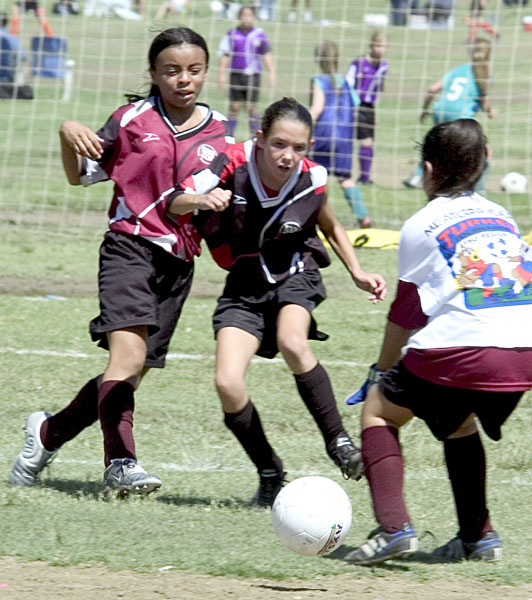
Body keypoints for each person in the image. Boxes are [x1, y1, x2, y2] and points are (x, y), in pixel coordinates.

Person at [9, 27, 234, 496]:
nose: (184, 80)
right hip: (129, 248)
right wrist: (67, 133)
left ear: (207, 72)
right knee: (126, 358)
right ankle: (120, 464)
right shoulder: (130, 120)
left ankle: (47, 433)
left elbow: (205, 200)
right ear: (154, 73)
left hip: (178, 263)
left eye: (194, 70)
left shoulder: (221, 133)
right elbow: (81, 176)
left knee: (129, 373)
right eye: (171, 71)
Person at [168, 97, 387, 507]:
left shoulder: (311, 177)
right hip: (244, 285)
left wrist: (357, 271)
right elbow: (174, 199)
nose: (288, 156)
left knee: (292, 341)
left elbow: (329, 223)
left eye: (298, 147)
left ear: (309, 148)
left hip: (295, 273)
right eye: (279, 144)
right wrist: (201, 200)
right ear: (260, 139)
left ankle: (339, 443)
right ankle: (269, 471)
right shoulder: (230, 164)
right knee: (227, 383)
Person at [344, 118, 532, 565]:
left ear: (428, 170)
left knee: (378, 410)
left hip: (467, 348)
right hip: (525, 351)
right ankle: (479, 538)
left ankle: (393, 529)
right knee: (456, 420)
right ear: (482, 164)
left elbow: (406, 313)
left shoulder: (420, 224)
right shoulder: (501, 216)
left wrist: (380, 371)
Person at [403, 37, 496, 190]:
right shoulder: (485, 75)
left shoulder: (460, 69)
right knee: (485, 151)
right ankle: (479, 189)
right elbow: (485, 105)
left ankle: (416, 177)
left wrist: (425, 110)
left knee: (437, 147)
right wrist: (491, 112)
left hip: (440, 111)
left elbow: (433, 88)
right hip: (460, 117)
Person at [309, 40, 371, 228]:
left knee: (315, 176)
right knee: (345, 178)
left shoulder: (319, 81)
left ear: (318, 59)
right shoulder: (345, 82)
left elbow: (317, 108)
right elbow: (356, 103)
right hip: (344, 137)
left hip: (323, 135)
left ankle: (316, 217)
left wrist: (303, 122)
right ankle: (363, 216)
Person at [217, 5, 276, 138]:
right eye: (244, 15)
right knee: (234, 106)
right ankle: (229, 136)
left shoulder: (259, 34)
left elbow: (266, 54)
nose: (246, 18)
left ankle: (255, 137)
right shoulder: (232, 34)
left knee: (251, 107)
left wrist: (271, 73)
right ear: (239, 17)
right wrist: (221, 74)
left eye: (249, 15)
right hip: (236, 74)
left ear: (254, 17)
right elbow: (225, 55)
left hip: (253, 75)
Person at [345, 31, 388, 185]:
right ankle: (361, 177)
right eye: (377, 45)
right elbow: (348, 84)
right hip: (357, 105)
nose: (380, 50)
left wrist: (376, 110)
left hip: (369, 107)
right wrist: (353, 106)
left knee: (370, 143)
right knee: (364, 141)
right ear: (371, 45)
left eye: (383, 46)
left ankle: (365, 177)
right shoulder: (359, 63)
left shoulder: (383, 66)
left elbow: (377, 90)